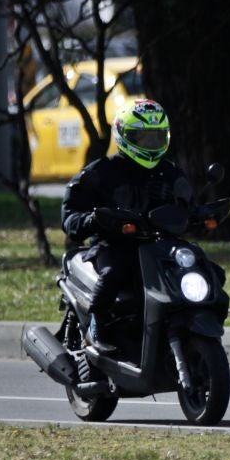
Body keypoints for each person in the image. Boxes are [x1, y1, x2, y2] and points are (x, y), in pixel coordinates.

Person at [61, 99, 193, 351]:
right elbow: (71, 214)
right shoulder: (101, 172)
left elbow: (189, 205)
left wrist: (202, 214)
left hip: (160, 246)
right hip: (114, 245)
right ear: (124, 136)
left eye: (156, 137)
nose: (150, 144)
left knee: (204, 269)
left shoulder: (170, 173)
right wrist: (92, 219)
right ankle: (95, 325)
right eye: (142, 137)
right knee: (114, 272)